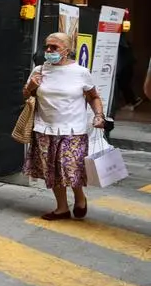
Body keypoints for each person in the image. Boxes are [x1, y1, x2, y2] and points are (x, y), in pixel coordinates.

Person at [23, 32, 105, 220]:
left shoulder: (80, 72)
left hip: (73, 129)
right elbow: (25, 96)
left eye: (54, 47)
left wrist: (99, 115)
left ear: (66, 51)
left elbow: (93, 96)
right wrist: (31, 87)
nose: (49, 51)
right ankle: (61, 208)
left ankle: (80, 197)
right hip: (44, 128)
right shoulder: (39, 71)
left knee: (71, 168)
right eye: (47, 47)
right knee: (51, 171)